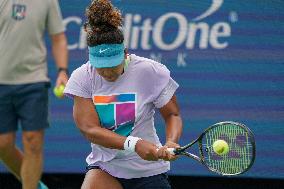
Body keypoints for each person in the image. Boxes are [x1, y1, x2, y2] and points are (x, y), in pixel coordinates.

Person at [64, 0, 183, 188]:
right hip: (106, 167)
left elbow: (172, 114)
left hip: (148, 171)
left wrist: (171, 141)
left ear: (125, 53)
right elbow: (90, 130)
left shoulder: (150, 71)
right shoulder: (82, 77)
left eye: (112, 66)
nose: (107, 73)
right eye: (101, 68)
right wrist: (134, 144)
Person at [0, 0, 68, 189]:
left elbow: (58, 37)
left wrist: (62, 70)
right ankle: (34, 184)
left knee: (33, 142)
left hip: (34, 80)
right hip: (1, 83)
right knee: (2, 145)